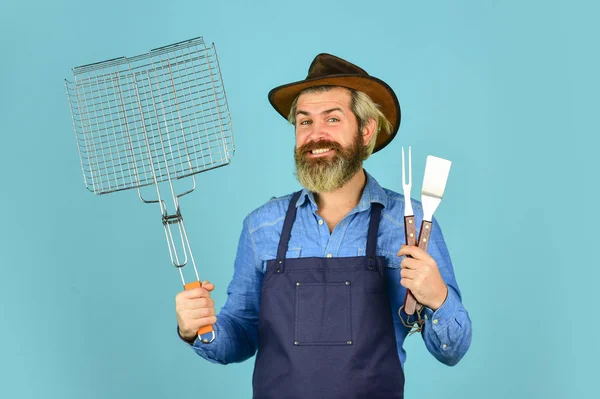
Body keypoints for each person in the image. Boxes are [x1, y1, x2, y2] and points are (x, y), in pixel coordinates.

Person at [175, 53, 472, 398]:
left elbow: (453, 349)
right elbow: (239, 335)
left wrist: (438, 298)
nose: (316, 135)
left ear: (366, 130)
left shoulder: (409, 222)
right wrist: (198, 329)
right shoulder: (262, 226)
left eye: (332, 119)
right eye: (304, 122)